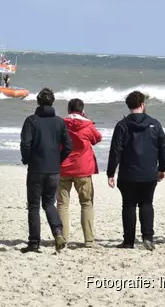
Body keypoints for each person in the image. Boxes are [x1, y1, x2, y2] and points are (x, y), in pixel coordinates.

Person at [106, 91, 165, 250]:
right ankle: (148, 238)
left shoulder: (122, 125)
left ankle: (128, 241)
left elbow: (115, 151)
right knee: (147, 203)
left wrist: (110, 173)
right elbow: (164, 149)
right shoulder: (154, 124)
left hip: (128, 173)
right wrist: (162, 168)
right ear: (142, 104)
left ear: (129, 106)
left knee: (128, 205)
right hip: (148, 173)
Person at [19, 88, 73, 253]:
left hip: (36, 168)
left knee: (34, 205)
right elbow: (68, 146)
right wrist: (58, 160)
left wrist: (27, 159)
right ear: (52, 102)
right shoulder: (59, 122)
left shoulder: (31, 121)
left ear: (38, 101)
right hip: (53, 170)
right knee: (49, 203)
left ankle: (34, 242)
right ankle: (57, 233)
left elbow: (25, 144)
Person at [57, 98, 102, 247]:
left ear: (69, 110)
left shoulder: (62, 123)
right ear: (82, 110)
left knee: (63, 204)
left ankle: (62, 237)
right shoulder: (87, 125)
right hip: (83, 169)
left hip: (63, 167)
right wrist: (87, 120)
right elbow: (97, 139)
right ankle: (89, 240)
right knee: (87, 203)